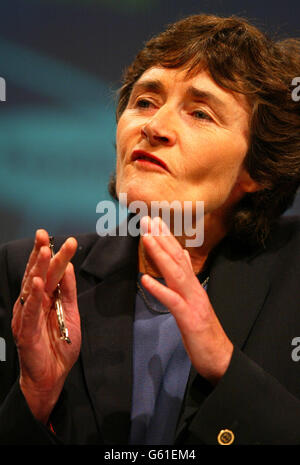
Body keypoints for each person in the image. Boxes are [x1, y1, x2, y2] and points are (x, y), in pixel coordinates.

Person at [0, 13, 300, 446]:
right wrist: (36, 395)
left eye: (200, 112)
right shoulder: (28, 277)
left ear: (255, 171)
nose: (154, 127)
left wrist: (223, 361)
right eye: (144, 102)